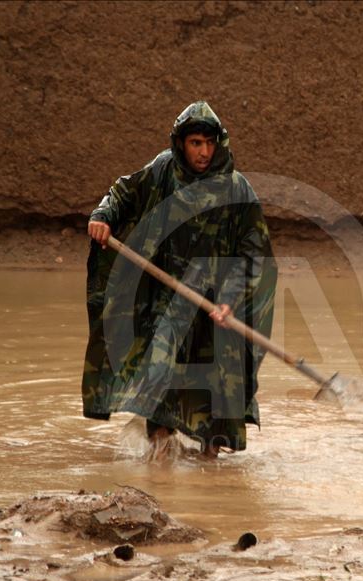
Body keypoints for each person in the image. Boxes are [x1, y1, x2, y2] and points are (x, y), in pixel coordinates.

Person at [82, 101, 276, 459]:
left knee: (217, 392)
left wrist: (230, 298)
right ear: (181, 144)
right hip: (165, 301)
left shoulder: (237, 190)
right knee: (158, 375)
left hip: (216, 307)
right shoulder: (162, 172)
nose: (203, 152)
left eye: (209, 143)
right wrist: (103, 215)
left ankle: (210, 471)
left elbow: (255, 255)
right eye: (195, 143)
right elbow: (124, 192)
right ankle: (161, 463)